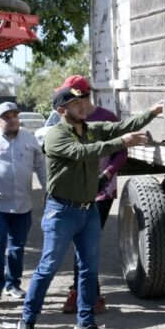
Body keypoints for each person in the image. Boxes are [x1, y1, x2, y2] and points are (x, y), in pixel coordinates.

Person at [16, 87, 162, 329]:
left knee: (89, 270)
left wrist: (152, 112)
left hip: (88, 210)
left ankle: (85, 322)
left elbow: (122, 126)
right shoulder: (55, 135)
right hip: (62, 212)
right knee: (47, 268)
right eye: (76, 103)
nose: (83, 105)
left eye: (84, 100)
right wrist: (122, 142)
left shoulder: (90, 128)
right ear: (62, 111)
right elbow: (84, 152)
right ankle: (27, 320)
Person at [57, 75, 127, 315]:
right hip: (76, 192)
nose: (70, 102)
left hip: (101, 194)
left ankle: (84, 294)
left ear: (84, 97)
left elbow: (121, 152)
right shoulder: (68, 119)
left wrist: (107, 173)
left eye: (73, 97)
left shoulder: (106, 118)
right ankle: (87, 293)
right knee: (81, 244)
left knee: (86, 244)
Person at [0, 102, 47, 300]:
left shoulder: (29, 139)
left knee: (17, 247)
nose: (13, 120)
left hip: (22, 204)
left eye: (15, 116)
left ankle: (12, 284)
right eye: (7, 117)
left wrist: (47, 189)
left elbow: (40, 165)